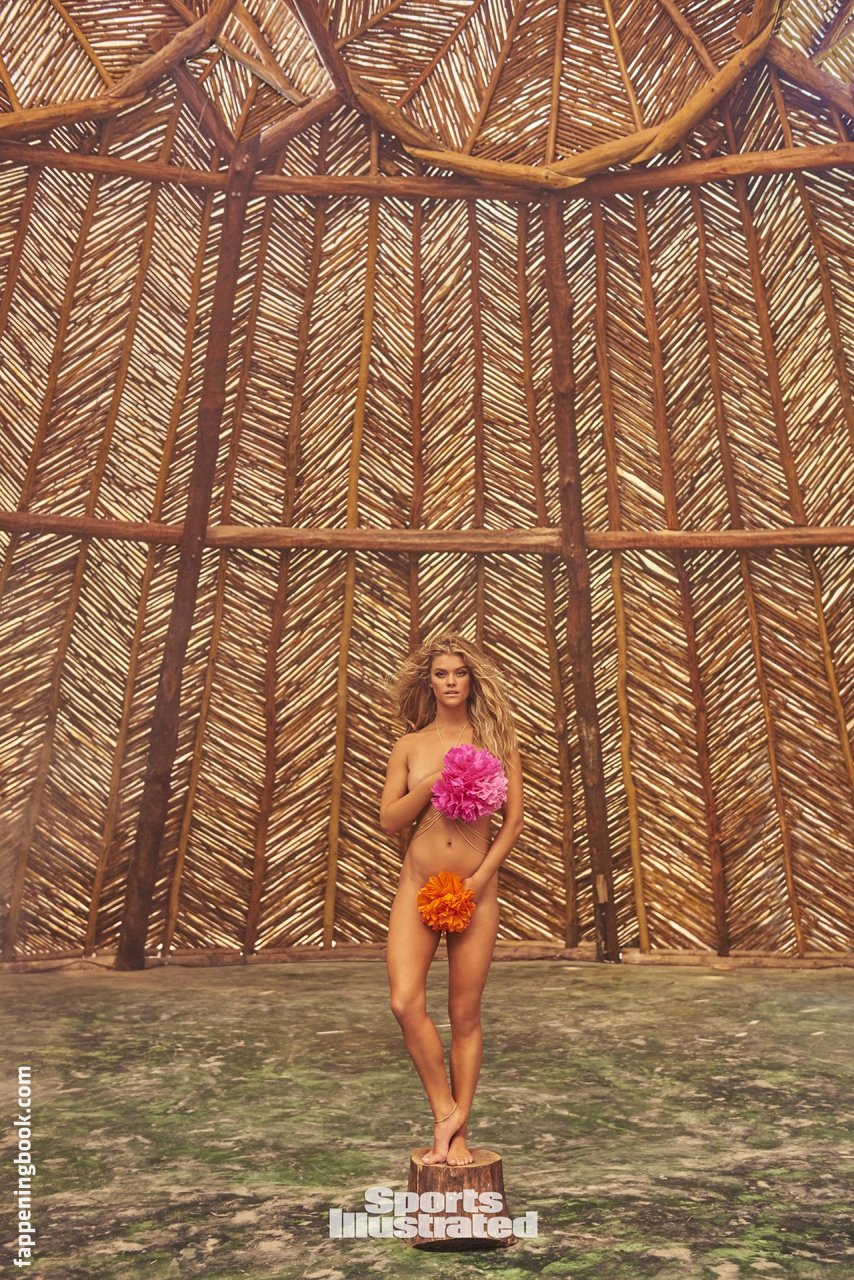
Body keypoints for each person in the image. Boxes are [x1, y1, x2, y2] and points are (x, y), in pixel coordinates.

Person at [380, 632, 524, 1166]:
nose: (451, 682)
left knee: (464, 1014)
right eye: (441, 673)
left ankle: (459, 1134)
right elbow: (389, 820)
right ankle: (444, 1110)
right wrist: (430, 783)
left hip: (474, 892)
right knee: (404, 1002)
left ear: (472, 680)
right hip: (417, 888)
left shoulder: (497, 742)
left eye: (460, 673)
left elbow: (513, 822)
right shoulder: (410, 746)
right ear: (429, 682)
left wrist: (480, 880)